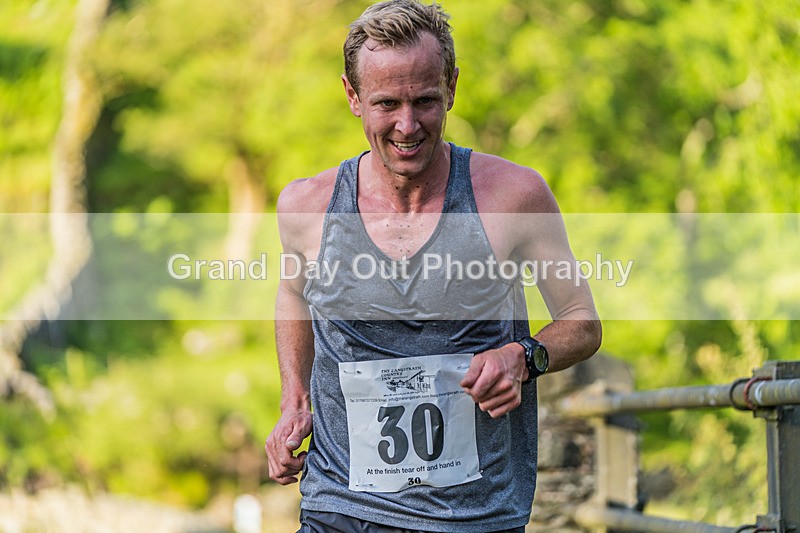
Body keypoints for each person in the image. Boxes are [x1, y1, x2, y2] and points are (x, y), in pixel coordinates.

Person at [265, 1, 601, 531]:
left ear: (452, 87)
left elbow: (582, 322)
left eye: (424, 100)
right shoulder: (307, 206)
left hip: (474, 514)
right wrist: (294, 398)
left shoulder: (513, 196)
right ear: (352, 97)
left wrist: (524, 356)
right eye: (386, 103)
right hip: (341, 504)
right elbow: (293, 293)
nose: (407, 125)